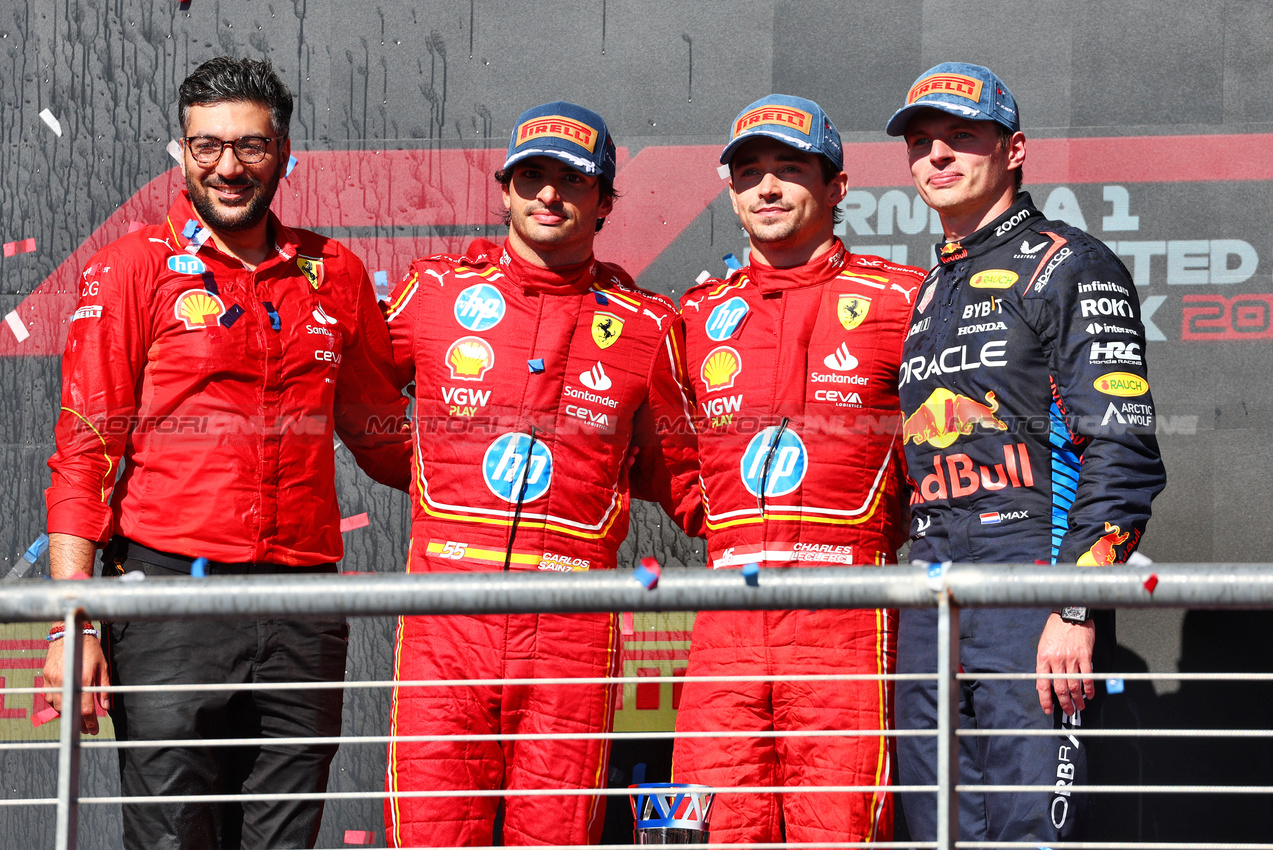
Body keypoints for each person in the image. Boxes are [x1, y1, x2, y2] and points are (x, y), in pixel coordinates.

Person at [41, 57, 411, 850]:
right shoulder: (133, 267)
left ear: (282, 150)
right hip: (169, 601)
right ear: (180, 152)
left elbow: (385, 439)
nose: (227, 167)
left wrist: (524, 455)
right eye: (206, 146)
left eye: (249, 146)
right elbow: (83, 454)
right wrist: (70, 626)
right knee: (173, 838)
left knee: (285, 837)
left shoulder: (334, 272)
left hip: (303, 606)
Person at [380, 101, 702, 848]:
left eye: (571, 181)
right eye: (532, 178)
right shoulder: (433, 294)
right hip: (444, 617)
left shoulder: (649, 326)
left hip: (572, 627)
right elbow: (350, 395)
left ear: (604, 201)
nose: (548, 196)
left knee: (555, 835)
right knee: (431, 834)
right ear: (505, 190)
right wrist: (423, 466)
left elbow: (681, 474)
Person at [885, 62, 1166, 842]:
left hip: (1031, 587)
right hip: (931, 592)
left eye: (960, 138)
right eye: (921, 142)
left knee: (1026, 830)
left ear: (1012, 150)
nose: (936, 156)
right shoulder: (931, 290)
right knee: (934, 827)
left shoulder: (1071, 264)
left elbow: (1122, 451)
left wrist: (1074, 606)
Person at [672, 94, 926, 845]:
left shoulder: (902, 298)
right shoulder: (691, 314)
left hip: (848, 610)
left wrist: (882, 527)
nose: (767, 188)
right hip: (727, 615)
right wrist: (721, 524)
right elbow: (668, 454)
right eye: (749, 173)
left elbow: (947, 451)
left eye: (789, 169)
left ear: (837, 188)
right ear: (730, 193)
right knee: (718, 829)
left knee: (843, 829)